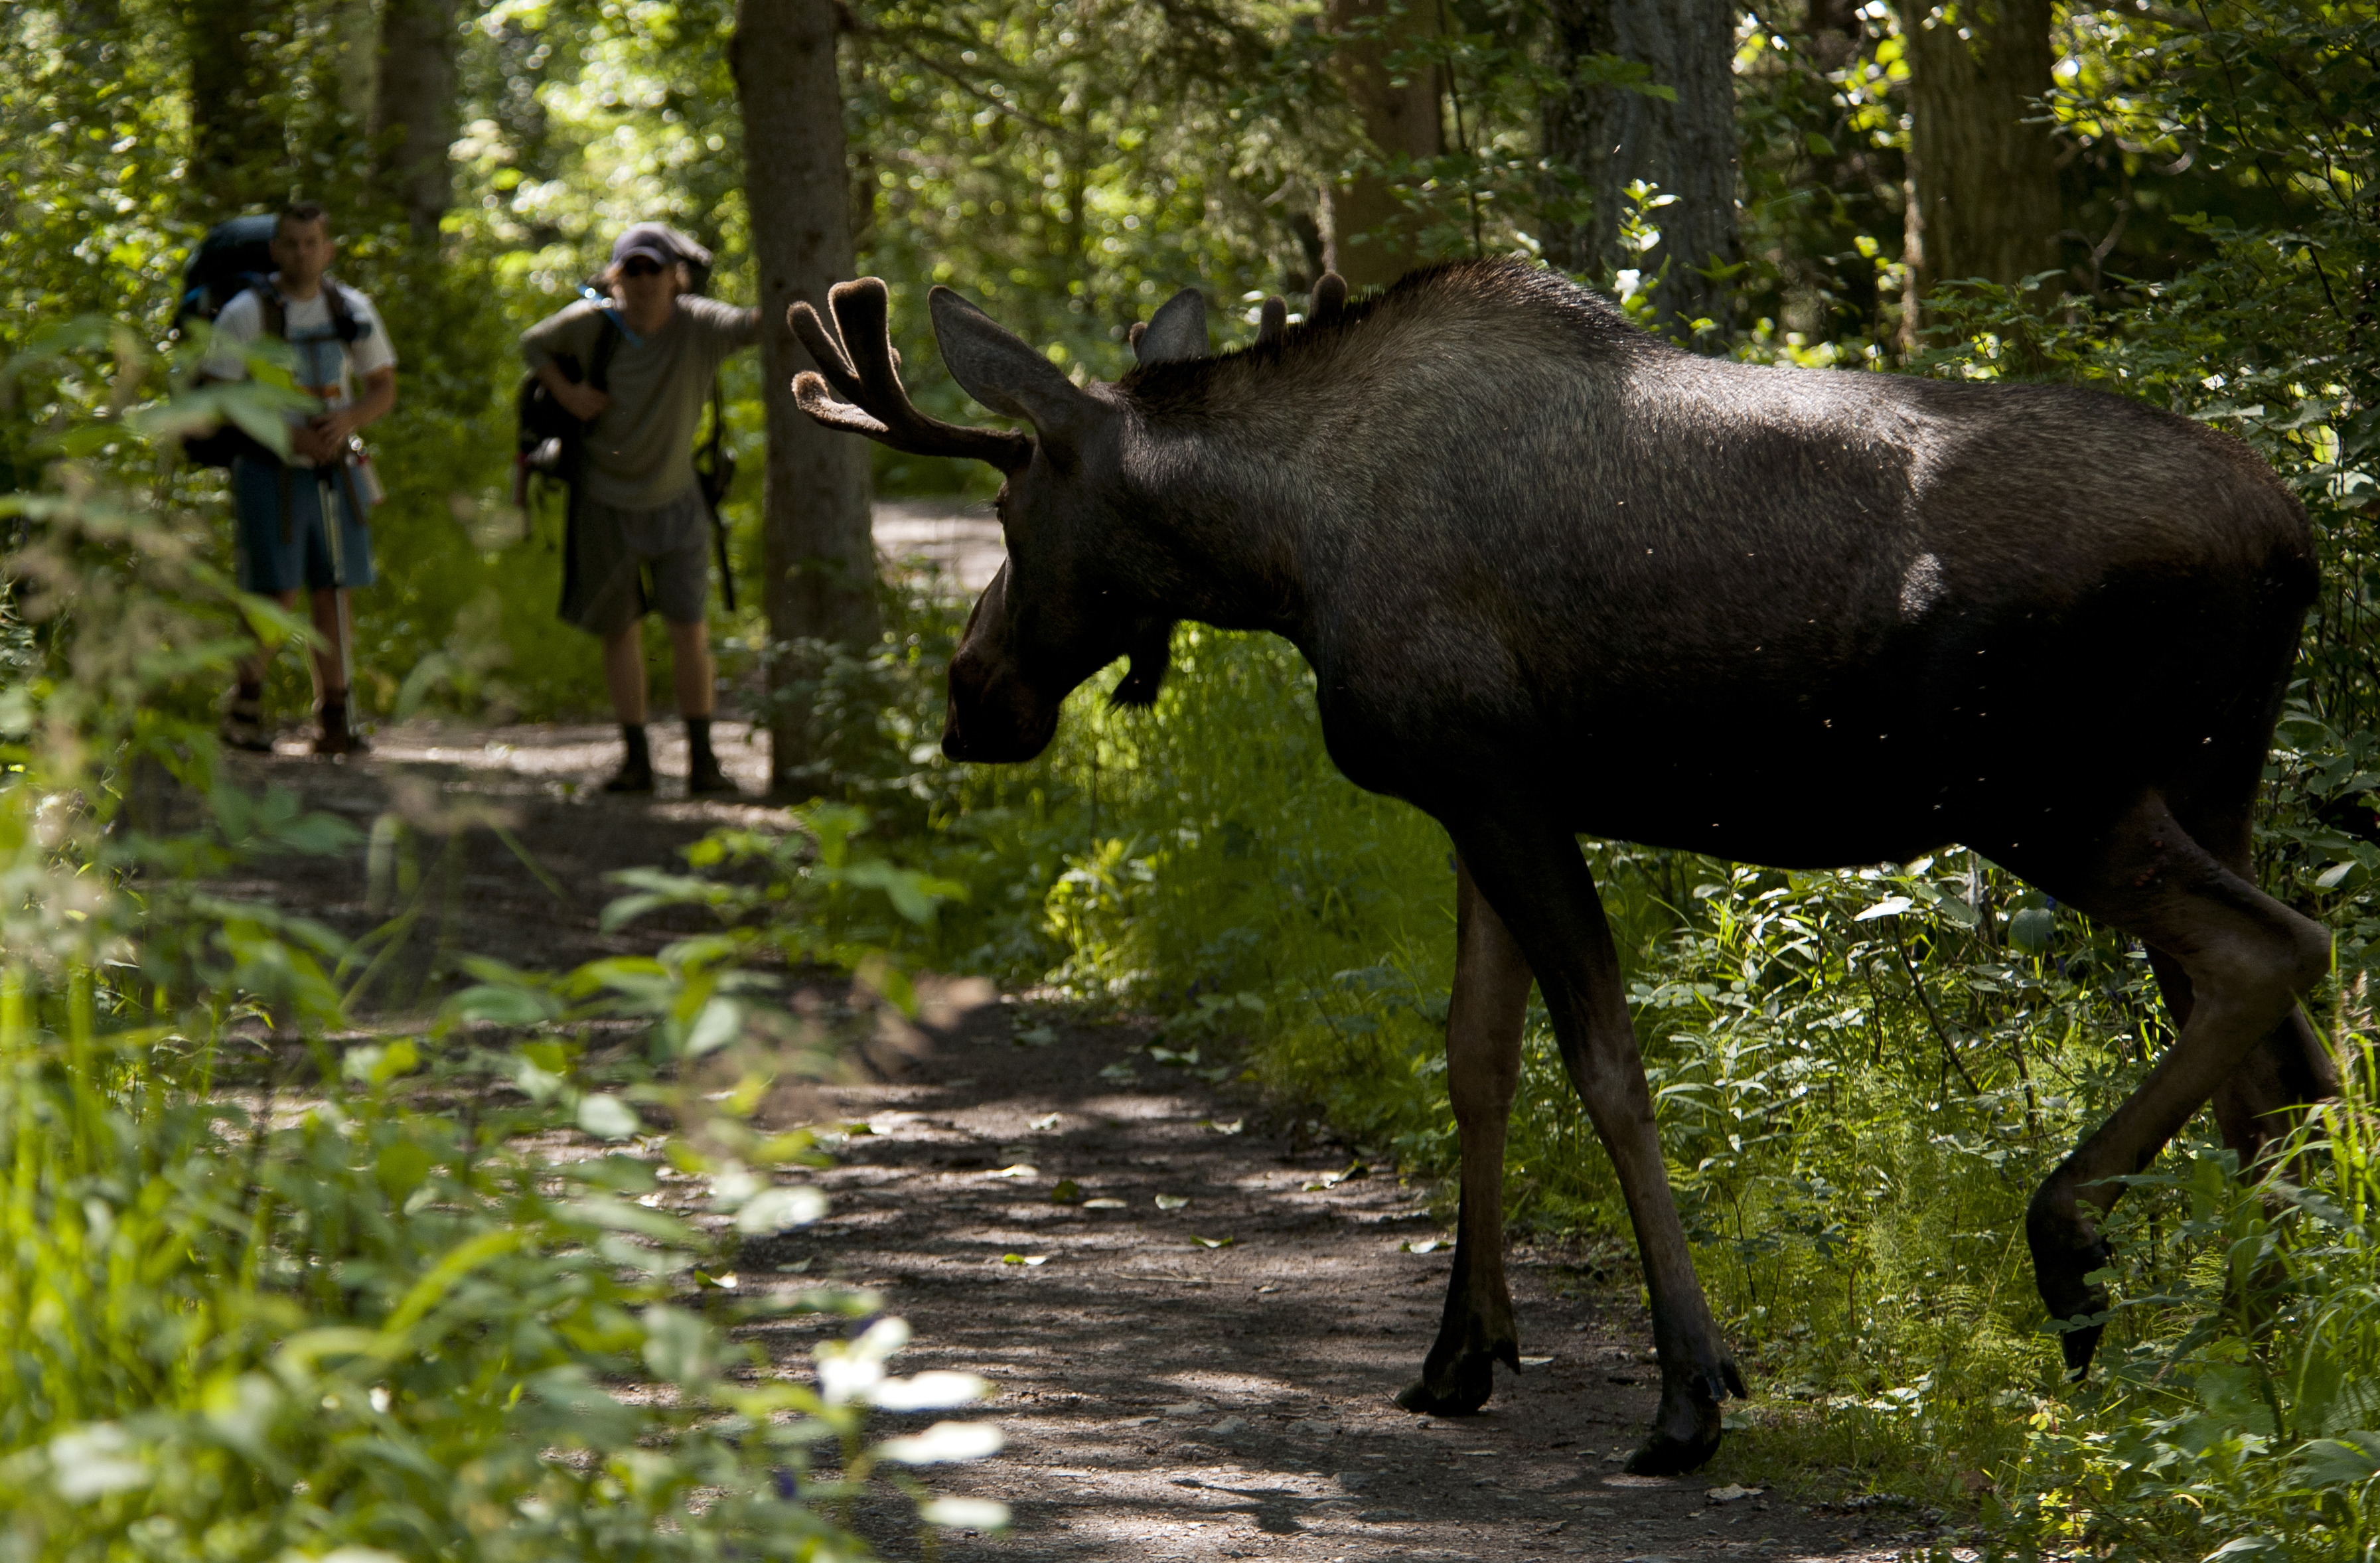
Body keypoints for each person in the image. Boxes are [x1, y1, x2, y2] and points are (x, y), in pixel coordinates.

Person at [521, 223, 757, 795]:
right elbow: (533, 344)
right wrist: (567, 393)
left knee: (689, 631)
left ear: (678, 277)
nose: (646, 281)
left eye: (657, 269)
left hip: (678, 504)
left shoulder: (701, 325)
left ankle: (704, 763)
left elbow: (758, 325)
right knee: (619, 632)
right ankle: (636, 762)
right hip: (604, 505)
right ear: (615, 278)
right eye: (634, 270)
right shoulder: (591, 326)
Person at [202, 200, 398, 756]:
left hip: (337, 468)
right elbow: (222, 394)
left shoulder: (350, 308)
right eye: (291, 243)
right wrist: (288, 437)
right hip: (270, 470)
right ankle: (243, 709)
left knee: (334, 590)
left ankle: (335, 716)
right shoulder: (245, 313)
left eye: (312, 242)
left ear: (328, 249)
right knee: (274, 589)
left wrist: (347, 421)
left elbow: (382, 385)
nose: (301, 253)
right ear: (275, 250)